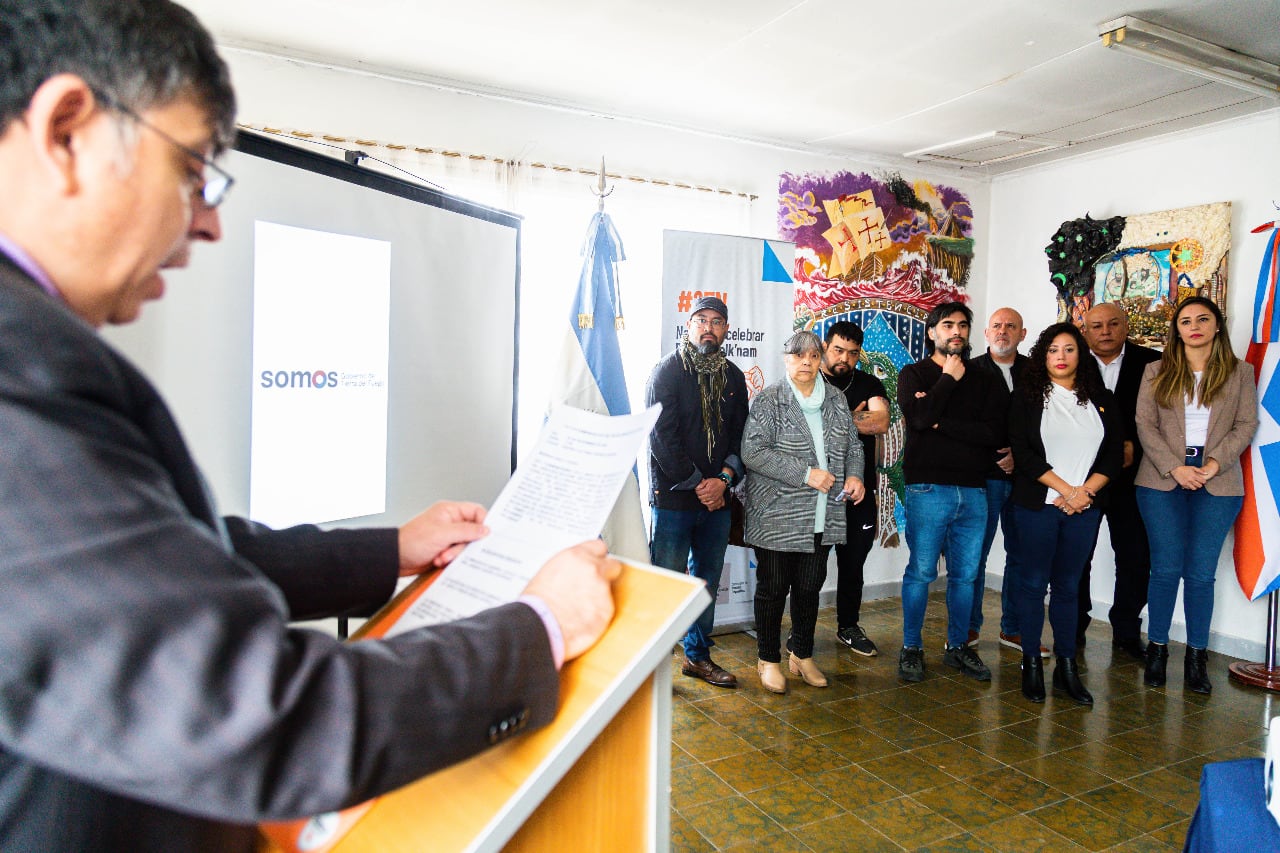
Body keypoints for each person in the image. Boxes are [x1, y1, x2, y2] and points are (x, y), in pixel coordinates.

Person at [0, 2, 620, 849]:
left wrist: (388, 548)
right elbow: (251, 711)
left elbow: (174, 556)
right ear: (67, 128)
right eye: (193, 172)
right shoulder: (18, 364)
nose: (210, 222)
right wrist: (542, 623)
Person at [1135, 297, 1258, 694]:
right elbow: (1145, 425)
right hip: (1161, 481)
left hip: (1218, 484)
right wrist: (1176, 466)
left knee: (1201, 575)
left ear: (1217, 325)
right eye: (1186, 321)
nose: (1194, 326)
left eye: (1203, 319)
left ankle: (1196, 659)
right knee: (1166, 569)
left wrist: (1213, 464)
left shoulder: (1241, 373)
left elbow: (1246, 423)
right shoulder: (1156, 371)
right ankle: (1157, 651)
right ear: (1178, 329)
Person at [742, 331, 864, 693]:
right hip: (777, 515)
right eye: (798, 356)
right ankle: (768, 659)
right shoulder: (770, 401)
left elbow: (854, 445)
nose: (806, 363)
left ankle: (802, 654)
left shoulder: (837, 400)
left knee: (810, 588)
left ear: (821, 358)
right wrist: (806, 474)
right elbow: (753, 452)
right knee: (774, 588)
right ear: (786, 359)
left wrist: (855, 474)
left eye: (813, 356)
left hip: (823, 516)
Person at [1008, 323, 1122, 704]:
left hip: (1084, 509)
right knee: (1032, 584)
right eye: (1053, 349)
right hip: (1038, 508)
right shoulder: (1026, 397)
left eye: (1069, 349)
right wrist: (1065, 490)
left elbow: (1113, 456)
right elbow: (1024, 455)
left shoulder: (1102, 399)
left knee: (1070, 587)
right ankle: (1032, 665)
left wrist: (1083, 494)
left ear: (1080, 355)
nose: (1061, 356)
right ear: (1043, 355)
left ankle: (1067, 668)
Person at [896, 302, 1007, 683]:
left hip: (975, 491)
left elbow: (993, 435)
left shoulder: (986, 379)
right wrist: (947, 380)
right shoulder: (914, 374)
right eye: (947, 325)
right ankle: (912, 648)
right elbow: (920, 419)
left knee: (966, 576)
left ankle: (957, 648)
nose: (956, 331)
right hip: (928, 489)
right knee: (922, 572)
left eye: (962, 325)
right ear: (932, 333)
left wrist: (942, 421)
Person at [645, 295, 749, 687]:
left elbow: (742, 437)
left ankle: (697, 657)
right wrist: (698, 484)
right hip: (674, 498)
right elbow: (661, 438)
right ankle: (653, 670)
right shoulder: (667, 373)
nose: (708, 327)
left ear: (725, 330)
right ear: (688, 327)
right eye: (700, 320)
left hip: (718, 500)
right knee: (668, 582)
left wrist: (722, 480)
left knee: (705, 581)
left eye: (717, 321)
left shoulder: (734, 377)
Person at [1079, 301, 1162, 660]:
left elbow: (1165, 417)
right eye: (1096, 326)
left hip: (1135, 477)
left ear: (1126, 326)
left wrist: (1132, 444)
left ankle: (1127, 631)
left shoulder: (1153, 363)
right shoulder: (1072, 361)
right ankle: (1074, 625)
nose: (1105, 332)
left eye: (1113, 324)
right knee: (1077, 555)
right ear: (1086, 331)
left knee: (1135, 555)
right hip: (1083, 476)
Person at [968, 307, 1046, 657]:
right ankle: (967, 628)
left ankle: (1013, 630)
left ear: (1023, 333)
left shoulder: (1037, 373)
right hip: (983, 478)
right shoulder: (969, 371)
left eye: (1011, 326)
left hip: (1028, 480)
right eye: (997, 326)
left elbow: (1045, 424)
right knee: (975, 556)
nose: (1003, 331)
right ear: (986, 334)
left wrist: (1020, 454)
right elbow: (962, 425)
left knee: (1023, 557)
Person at [820, 320, 889, 656]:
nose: (844, 358)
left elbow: (880, 421)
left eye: (852, 352)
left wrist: (834, 417)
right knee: (811, 566)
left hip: (859, 490)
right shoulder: (809, 380)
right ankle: (801, 629)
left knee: (853, 565)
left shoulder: (868, 382)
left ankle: (848, 626)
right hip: (816, 491)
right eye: (838, 350)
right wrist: (853, 418)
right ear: (824, 346)